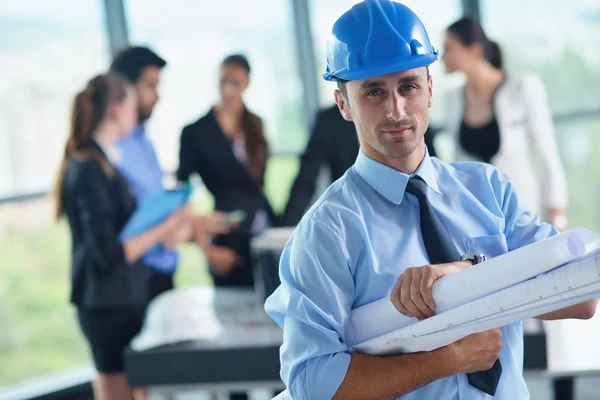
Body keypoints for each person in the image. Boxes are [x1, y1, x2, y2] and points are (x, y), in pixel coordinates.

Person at [264, 1, 596, 399]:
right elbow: (311, 382)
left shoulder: (489, 190)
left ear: (430, 89)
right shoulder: (327, 230)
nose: (396, 110)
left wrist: (469, 275)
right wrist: (444, 360)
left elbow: (583, 298)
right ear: (343, 104)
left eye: (408, 86)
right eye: (373, 92)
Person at [54, 73, 190, 400]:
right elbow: (110, 254)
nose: (135, 113)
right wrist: (164, 226)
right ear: (116, 110)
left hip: (124, 299)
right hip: (106, 306)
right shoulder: (88, 168)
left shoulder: (104, 162)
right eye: (130, 105)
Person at [109, 46, 230, 279]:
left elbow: (155, 212)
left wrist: (197, 224)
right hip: (129, 280)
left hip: (160, 272)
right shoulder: (112, 150)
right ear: (126, 89)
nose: (157, 96)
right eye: (150, 86)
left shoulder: (143, 140)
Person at [442, 16, 568, 229]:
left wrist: (556, 213)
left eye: (448, 48)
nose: (442, 57)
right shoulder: (452, 99)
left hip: (526, 212)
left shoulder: (523, 87)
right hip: (478, 219)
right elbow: (458, 165)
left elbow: (548, 153)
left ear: (475, 50)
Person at [177, 54, 276, 289]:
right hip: (227, 236)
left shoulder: (256, 124)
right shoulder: (195, 132)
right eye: (223, 81)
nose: (228, 90)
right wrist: (207, 250)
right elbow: (181, 193)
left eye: (236, 82)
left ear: (247, 84)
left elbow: (258, 184)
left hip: (264, 229)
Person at [280, 104, 440, 226]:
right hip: (353, 211)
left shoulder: (412, 115)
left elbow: (429, 164)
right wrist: (288, 222)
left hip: (414, 205)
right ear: (342, 101)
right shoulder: (329, 119)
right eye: (373, 92)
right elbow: (307, 177)